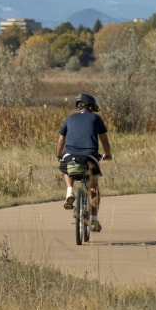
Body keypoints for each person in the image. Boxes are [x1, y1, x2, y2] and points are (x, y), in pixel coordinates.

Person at [56, 92, 112, 232]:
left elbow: (61, 140)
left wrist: (58, 155)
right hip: (90, 157)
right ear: (91, 106)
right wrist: (108, 154)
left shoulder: (70, 118)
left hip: (70, 156)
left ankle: (69, 191)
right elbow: (104, 139)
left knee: (66, 168)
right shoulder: (96, 118)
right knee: (93, 189)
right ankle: (93, 220)